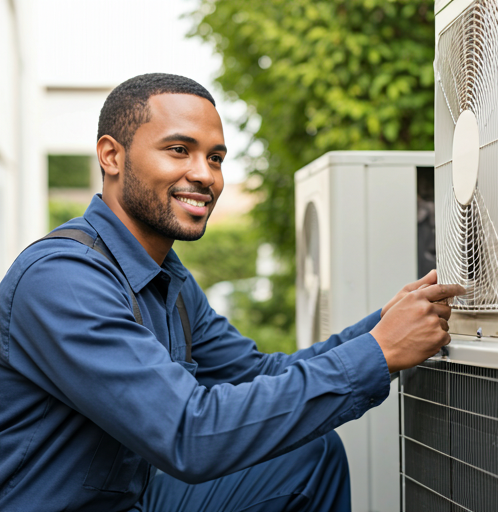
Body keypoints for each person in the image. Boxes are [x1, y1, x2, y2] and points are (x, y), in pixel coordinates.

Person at [0, 73, 464, 512]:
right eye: (179, 150)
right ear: (111, 156)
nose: (205, 175)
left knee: (309, 458)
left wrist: (384, 327)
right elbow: (188, 434)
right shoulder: (64, 279)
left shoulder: (169, 281)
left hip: (135, 500)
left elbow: (259, 374)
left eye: (216, 158)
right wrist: (378, 353)